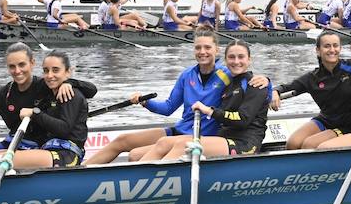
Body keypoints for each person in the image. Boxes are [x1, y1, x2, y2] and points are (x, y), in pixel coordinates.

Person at [83, 30, 268, 165]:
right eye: (198, 47)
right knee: (124, 142)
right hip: (182, 129)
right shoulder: (187, 75)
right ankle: (79, 174)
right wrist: (145, 102)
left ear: (217, 51)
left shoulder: (228, 72)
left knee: (138, 155)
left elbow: (250, 80)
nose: (202, 51)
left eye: (207, 47)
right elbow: (169, 107)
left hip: (204, 134)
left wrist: (269, 83)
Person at [0, 43, 84, 170]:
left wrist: (69, 82)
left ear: (32, 63)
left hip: (39, 146)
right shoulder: (7, 91)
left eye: (22, 65)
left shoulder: (48, 85)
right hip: (14, 141)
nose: (17, 71)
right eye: (12, 67)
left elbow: (90, 89)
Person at [136, 40, 270, 160]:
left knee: (184, 145)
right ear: (225, 60)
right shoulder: (227, 82)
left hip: (245, 143)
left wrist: (209, 111)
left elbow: (242, 120)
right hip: (222, 138)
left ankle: (152, 181)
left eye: (241, 57)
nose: (236, 61)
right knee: (163, 142)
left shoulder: (256, 84)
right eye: (231, 57)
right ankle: (139, 177)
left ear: (249, 60)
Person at [0, 51, 95, 170]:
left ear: (68, 72)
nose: (49, 75)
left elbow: (64, 129)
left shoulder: (71, 94)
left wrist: (35, 113)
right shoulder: (49, 94)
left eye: (55, 70)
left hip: (67, 155)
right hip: (48, 149)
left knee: (0, 161)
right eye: (46, 70)